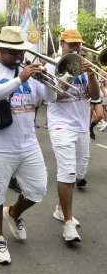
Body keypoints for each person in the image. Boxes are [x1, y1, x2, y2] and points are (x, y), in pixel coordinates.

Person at [0, 26, 57, 264]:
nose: (19, 57)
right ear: (1, 49)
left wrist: (48, 80)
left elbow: (50, 99)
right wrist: (22, 78)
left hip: (28, 143)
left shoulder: (29, 72)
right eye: (14, 53)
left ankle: (13, 213)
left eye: (21, 53)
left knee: (38, 190)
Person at [46, 29, 99, 242]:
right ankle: (68, 223)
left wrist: (92, 74)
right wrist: (71, 72)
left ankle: (60, 208)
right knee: (67, 171)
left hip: (81, 125)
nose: (76, 47)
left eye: (78, 44)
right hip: (61, 125)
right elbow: (53, 95)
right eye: (71, 44)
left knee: (78, 172)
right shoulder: (52, 65)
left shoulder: (87, 66)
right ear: (62, 44)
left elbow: (94, 96)